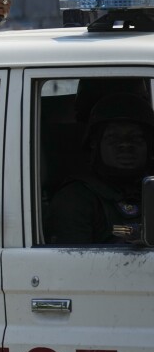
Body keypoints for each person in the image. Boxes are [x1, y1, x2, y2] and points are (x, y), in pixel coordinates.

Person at [47, 93, 154, 245]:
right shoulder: (75, 199)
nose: (125, 145)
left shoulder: (148, 187)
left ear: (150, 146)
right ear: (95, 144)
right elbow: (71, 264)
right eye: (113, 138)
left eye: (136, 137)